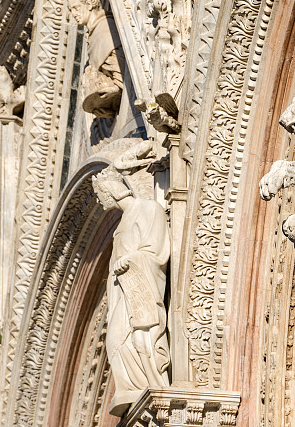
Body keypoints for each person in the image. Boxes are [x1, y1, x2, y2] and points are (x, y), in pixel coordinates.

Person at [92, 164, 170, 415]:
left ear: (113, 190)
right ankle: (132, 388)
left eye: (102, 194)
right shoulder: (121, 223)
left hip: (138, 287)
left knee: (133, 339)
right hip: (123, 292)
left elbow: (157, 250)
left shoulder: (148, 209)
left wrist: (133, 260)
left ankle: (148, 383)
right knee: (114, 340)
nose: (100, 201)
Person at [68, 0, 126, 118]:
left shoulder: (105, 26)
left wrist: (117, 87)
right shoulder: (91, 36)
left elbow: (119, 58)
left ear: (89, 5)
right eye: (71, 10)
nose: (73, 14)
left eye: (76, 8)